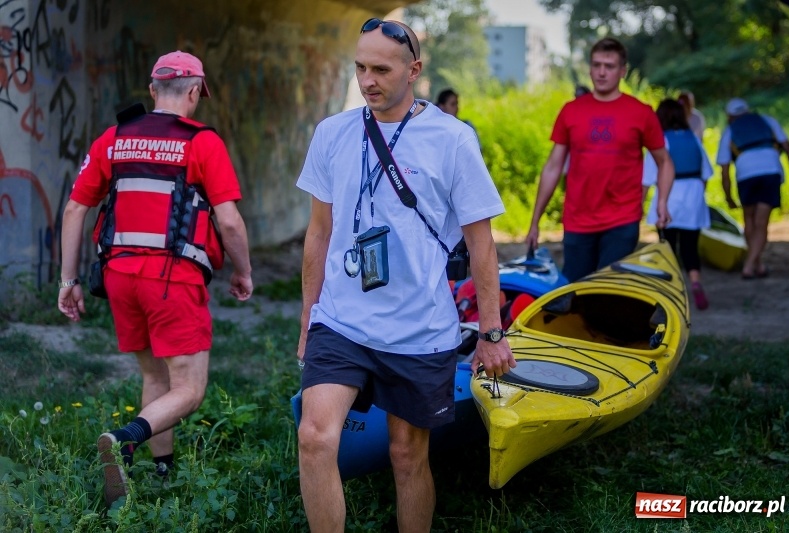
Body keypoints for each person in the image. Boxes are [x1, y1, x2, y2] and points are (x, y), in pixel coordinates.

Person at [295, 19, 515, 532]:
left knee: (406, 455)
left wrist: (491, 331)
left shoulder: (452, 139)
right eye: (360, 68)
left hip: (418, 329)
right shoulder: (332, 133)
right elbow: (318, 234)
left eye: (380, 69)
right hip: (342, 320)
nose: (367, 80)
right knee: (315, 437)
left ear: (413, 70)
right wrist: (309, 319)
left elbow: (481, 244)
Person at [57, 50, 253, 507]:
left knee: (155, 374)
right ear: (193, 92)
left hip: (119, 276)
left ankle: (161, 471)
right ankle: (126, 442)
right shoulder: (202, 142)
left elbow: (74, 210)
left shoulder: (114, 138)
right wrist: (242, 271)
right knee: (190, 387)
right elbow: (229, 222)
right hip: (172, 279)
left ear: (151, 90)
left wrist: (69, 281)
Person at [525, 37, 674, 282]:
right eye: (596, 65)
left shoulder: (641, 112)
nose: (602, 72)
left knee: (608, 291)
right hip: (577, 220)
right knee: (575, 290)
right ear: (590, 68)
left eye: (609, 66)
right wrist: (535, 221)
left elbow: (664, 161)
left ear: (622, 71)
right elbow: (553, 167)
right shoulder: (571, 111)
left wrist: (662, 201)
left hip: (622, 219)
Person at [643, 98, 713, 310]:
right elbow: (706, 173)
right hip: (694, 198)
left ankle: (671, 292)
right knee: (690, 246)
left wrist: (640, 203)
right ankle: (695, 282)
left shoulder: (660, 142)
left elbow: (647, 178)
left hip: (669, 197)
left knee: (668, 247)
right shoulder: (694, 138)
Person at [716, 97, 789, 279]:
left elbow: (725, 170)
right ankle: (753, 265)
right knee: (761, 223)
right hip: (771, 172)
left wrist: (728, 196)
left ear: (729, 116)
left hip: (745, 176)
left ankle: (752, 264)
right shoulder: (768, 121)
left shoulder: (729, 131)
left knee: (750, 221)